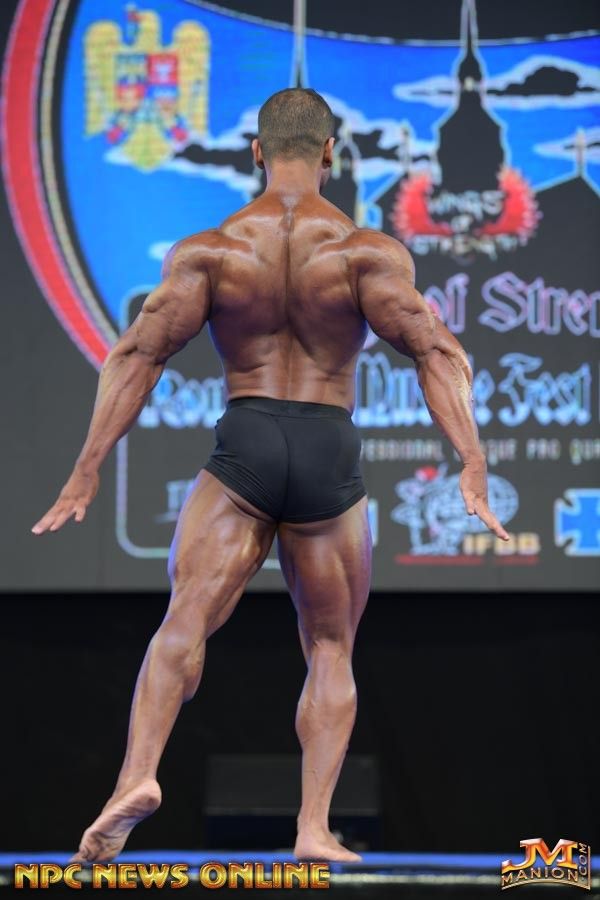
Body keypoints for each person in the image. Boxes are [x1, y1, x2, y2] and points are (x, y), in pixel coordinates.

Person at [32, 88, 509, 863]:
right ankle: (313, 828)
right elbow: (435, 350)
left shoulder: (211, 251)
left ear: (256, 151)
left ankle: (137, 777)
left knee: (185, 619)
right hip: (328, 447)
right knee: (330, 645)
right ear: (330, 153)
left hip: (246, 442)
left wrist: (85, 472)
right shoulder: (366, 253)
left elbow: (138, 357)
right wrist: (473, 462)